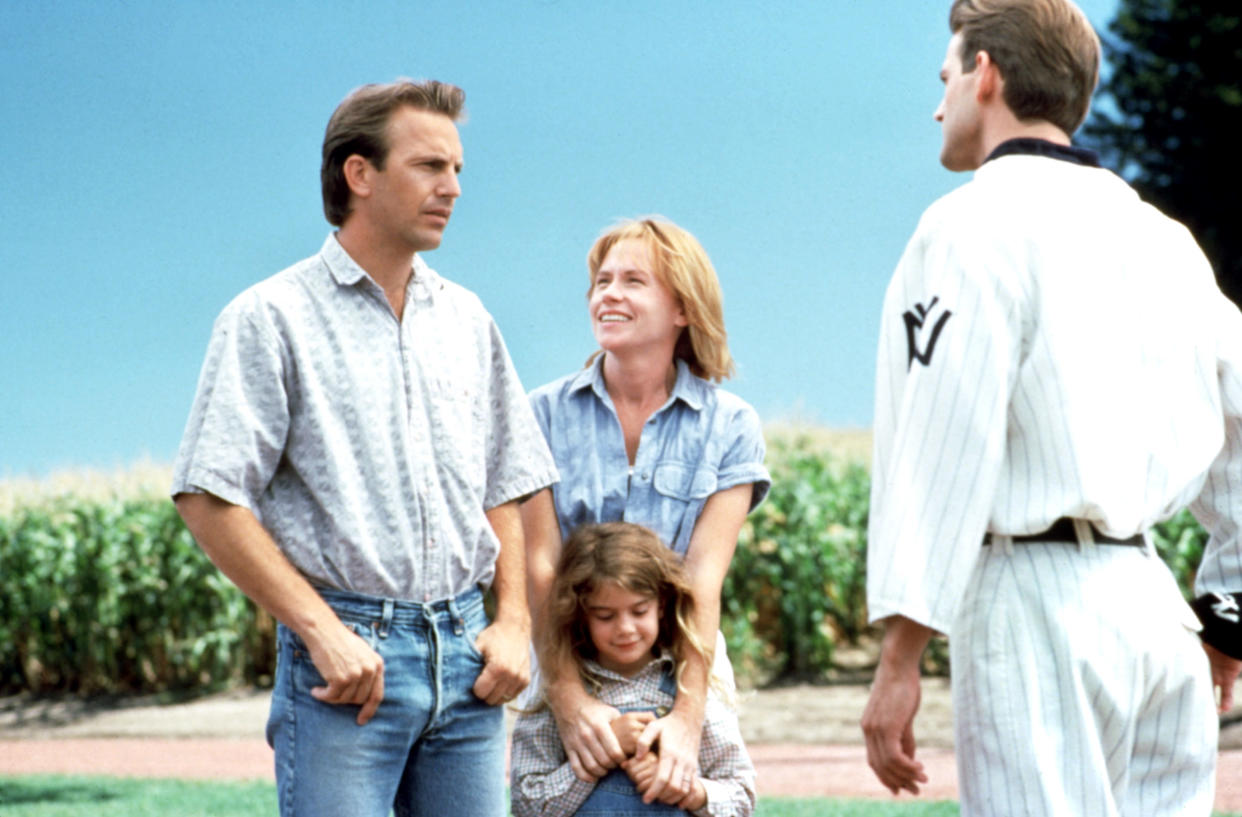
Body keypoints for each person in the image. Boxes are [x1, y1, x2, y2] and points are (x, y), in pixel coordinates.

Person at [860, 1, 1242, 814]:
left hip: (1031, 609)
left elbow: (939, 445)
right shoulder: (1166, 240)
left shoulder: (966, 227)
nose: (939, 104)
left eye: (946, 76)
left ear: (986, 73)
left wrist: (899, 660)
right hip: (1156, 609)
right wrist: (1227, 618)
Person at [170, 79, 558, 817]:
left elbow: (505, 481)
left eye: (458, 170)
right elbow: (208, 494)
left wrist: (511, 623)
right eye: (430, 167)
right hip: (346, 670)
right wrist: (321, 631)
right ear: (359, 173)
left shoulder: (468, 319)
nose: (452, 187)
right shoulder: (269, 318)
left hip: (469, 666)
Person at [520, 217, 770, 805]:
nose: (608, 293)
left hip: (681, 662)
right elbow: (540, 569)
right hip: (568, 656)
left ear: (682, 308)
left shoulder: (730, 425)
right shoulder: (542, 414)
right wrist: (569, 699)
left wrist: (686, 718)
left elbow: (702, 582)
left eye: (634, 281)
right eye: (602, 281)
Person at [510, 521, 757, 817]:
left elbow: (741, 797)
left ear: (662, 605)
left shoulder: (690, 690)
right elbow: (527, 804)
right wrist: (603, 752)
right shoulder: (559, 696)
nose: (625, 628)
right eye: (605, 616)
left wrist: (687, 789)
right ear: (580, 614)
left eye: (639, 611)